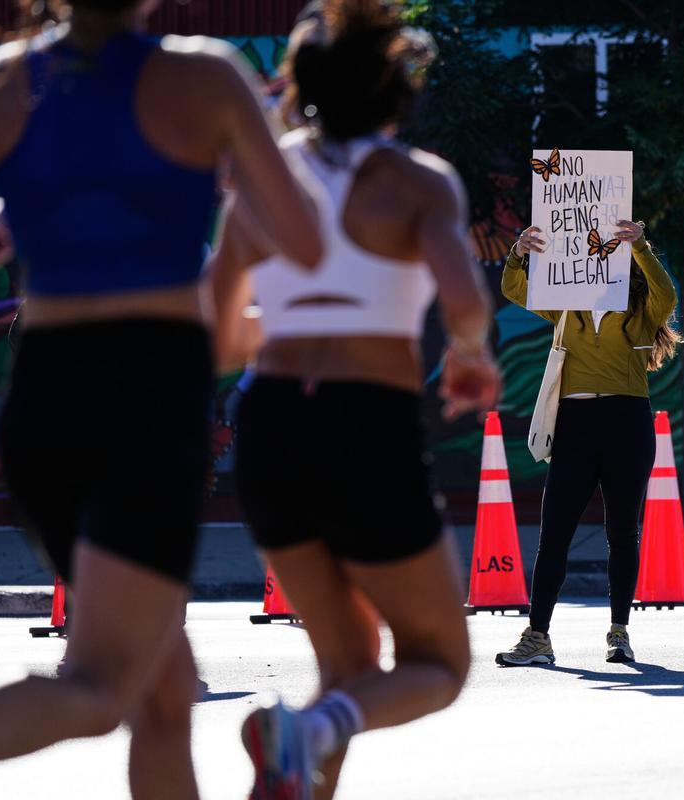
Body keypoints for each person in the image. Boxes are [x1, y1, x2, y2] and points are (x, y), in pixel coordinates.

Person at [0, 1, 323, 797]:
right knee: (101, 689)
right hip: (146, 396)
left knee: (165, 697)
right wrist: (241, 159)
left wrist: (11, 213)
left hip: (41, 394)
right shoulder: (204, 76)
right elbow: (301, 238)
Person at [208, 2, 499, 797]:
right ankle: (305, 731)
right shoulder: (417, 182)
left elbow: (223, 337)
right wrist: (470, 355)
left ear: (301, 86)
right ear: (397, 85)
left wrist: (297, 316)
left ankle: (300, 747)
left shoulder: (263, 187)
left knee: (345, 673)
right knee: (437, 663)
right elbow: (465, 301)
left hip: (268, 422)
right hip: (363, 425)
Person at [495, 220, 680, 667]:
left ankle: (620, 634)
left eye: (610, 258)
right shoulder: (564, 307)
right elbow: (514, 287)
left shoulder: (640, 312)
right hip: (575, 424)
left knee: (622, 531)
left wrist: (640, 247)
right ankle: (537, 637)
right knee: (554, 532)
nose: (598, 264)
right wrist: (519, 249)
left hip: (627, 424)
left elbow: (668, 296)